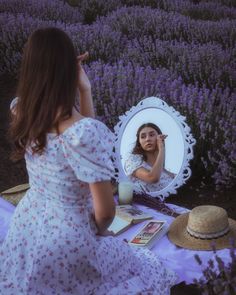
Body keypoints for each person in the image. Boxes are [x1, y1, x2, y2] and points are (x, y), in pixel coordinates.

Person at [0, 27, 177, 294]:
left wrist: (85, 91)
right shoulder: (83, 133)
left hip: (25, 229)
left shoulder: (21, 110)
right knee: (135, 262)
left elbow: (83, 136)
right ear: (68, 72)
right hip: (68, 241)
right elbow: (104, 213)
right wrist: (99, 233)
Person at [125, 123, 175, 193]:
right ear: (139, 142)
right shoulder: (133, 161)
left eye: (151, 135)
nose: (147, 139)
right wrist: (161, 148)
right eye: (143, 137)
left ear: (159, 138)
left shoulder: (170, 175)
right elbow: (152, 178)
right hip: (139, 203)